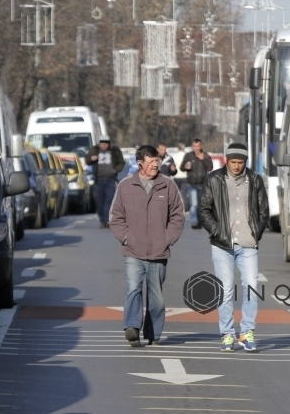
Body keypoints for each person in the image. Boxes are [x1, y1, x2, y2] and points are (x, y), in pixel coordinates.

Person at [109, 145, 185, 347]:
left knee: (157, 297)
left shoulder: (167, 186)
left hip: (159, 251)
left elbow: (178, 215)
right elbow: (116, 218)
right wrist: (126, 238)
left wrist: (168, 238)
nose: (155, 165)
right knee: (133, 289)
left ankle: (153, 333)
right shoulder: (126, 186)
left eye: (157, 161)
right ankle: (132, 328)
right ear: (140, 163)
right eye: (151, 162)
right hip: (133, 250)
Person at [198, 142, 269, 352]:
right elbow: (204, 210)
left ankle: (247, 332)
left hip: (248, 244)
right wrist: (216, 231)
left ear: (245, 162)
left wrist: (257, 233)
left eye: (240, 162)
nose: (236, 166)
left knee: (251, 288)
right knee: (226, 290)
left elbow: (263, 210)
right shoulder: (214, 179)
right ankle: (227, 334)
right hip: (222, 245)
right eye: (233, 162)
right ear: (226, 160)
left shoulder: (255, 180)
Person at [85, 135, 125, 228]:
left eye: (105, 144)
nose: (103, 146)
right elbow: (87, 160)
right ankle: (102, 220)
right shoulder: (94, 150)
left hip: (111, 179)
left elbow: (121, 162)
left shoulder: (115, 150)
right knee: (100, 201)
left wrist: (115, 170)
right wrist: (92, 159)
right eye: (102, 144)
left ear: (109, 144)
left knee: (109, 199)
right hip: (99, 179)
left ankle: (108, 220)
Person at [180, 138, 214, 229]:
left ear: (201, 146)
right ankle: (194, 221)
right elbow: (181, 168)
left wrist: (203, 159)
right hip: (192, 184)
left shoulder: (206, 155)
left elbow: (210, 167)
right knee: (194, 203)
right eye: (194, 146)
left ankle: (199, 221)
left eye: (198, 146)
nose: (196, 148)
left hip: (203, 183)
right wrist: (185, 167)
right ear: (192, 146)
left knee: (201, 205)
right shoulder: (188, 156)